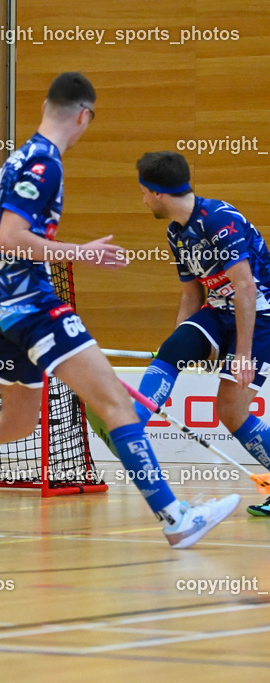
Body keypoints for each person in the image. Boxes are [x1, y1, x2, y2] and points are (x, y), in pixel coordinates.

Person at [0, 72, 240, 549]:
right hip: (31, 306)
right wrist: (82, 252)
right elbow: (10, 238)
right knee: (117, 405)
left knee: (15, 423)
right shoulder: (46, 164)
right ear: (84, 115)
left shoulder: (17, 159)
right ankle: (175, 517)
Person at [132, 150, 270, 517]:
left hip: (261, 315)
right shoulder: (176, 232)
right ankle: (130, 429)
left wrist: (241, 354)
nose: (143, 199)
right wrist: (182, 343)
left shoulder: (219, 218)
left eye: (143, 192)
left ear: (156, 192)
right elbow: (192, 295)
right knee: (173, 347)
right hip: (218, 312)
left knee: (230, 411)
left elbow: (246, 288)